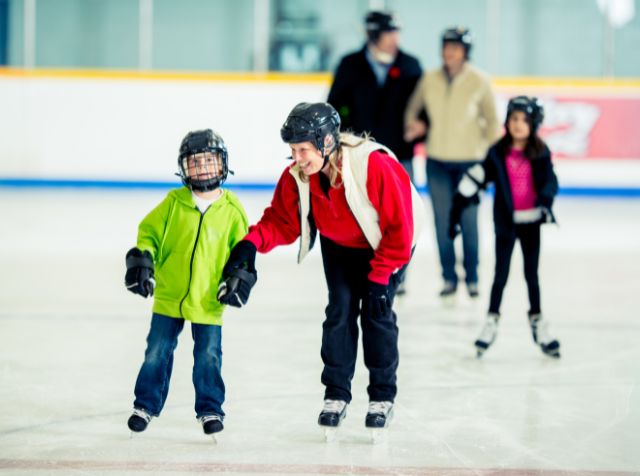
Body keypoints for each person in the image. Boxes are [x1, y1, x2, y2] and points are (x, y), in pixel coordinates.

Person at [218, 102, 425, 434]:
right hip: (340, 246)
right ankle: (336, 393)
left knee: (377, 313)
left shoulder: (374, 166)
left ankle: (382, 396)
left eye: (303, 149)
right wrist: (250, 245)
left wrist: (380, 275)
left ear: (327, 142)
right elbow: (282, 222)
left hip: (386, 245)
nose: (297, 158)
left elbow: (401, 228)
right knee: (340, 311)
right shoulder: (298, 175)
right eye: (293, 150)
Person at [124, 129, 249, 437]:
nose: (203, 167)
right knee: (156, 350)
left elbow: (242, 251)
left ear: (222, 164)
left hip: (209, 299)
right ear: (184, 167)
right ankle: (145, 405)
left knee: (208, 355)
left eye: (209, 160)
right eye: (195, 162)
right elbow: (148, 234)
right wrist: (143, 261)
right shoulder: (174, 202)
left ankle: (209, 410)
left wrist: (238, 277)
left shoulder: (232, 211)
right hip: (169, 295)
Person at [449, 96, 561, 358]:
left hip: (531, 221)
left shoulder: (541, 152)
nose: (518, 125)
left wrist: (545, 198)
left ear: (534, 123)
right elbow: (479, 175)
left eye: (524, 120)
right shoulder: (497, 152)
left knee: (531, 276)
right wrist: (458, 205)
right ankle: (491, 320)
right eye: (514, 119)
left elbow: (550, 181)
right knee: (500, 276)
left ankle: (538, 320)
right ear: (507, 121)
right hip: (506, 224)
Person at [404, 26, 500, 301]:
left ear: (466, 51)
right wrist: (415, 125)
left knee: (469, 221)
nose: (449, 52)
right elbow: (413, 108)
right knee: (443, 222)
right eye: (446, 47)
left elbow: (493, 122)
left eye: (455, 48)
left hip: (471, 163)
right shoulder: (430, 79)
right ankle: (448, 277)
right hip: (437, 162)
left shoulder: (480, 81)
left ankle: (472, 276)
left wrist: (488, 155)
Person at [327, 10, 422, 182]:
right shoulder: (349, 65)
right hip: (358, 154)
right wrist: (348, 133)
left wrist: (420, 125)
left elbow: (422, 107)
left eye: (396, 33)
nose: (395, 39)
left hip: (400, 155)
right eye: (388, 33)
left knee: (402, 206)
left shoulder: (410, 65)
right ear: (372, 34)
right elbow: (336, 106)